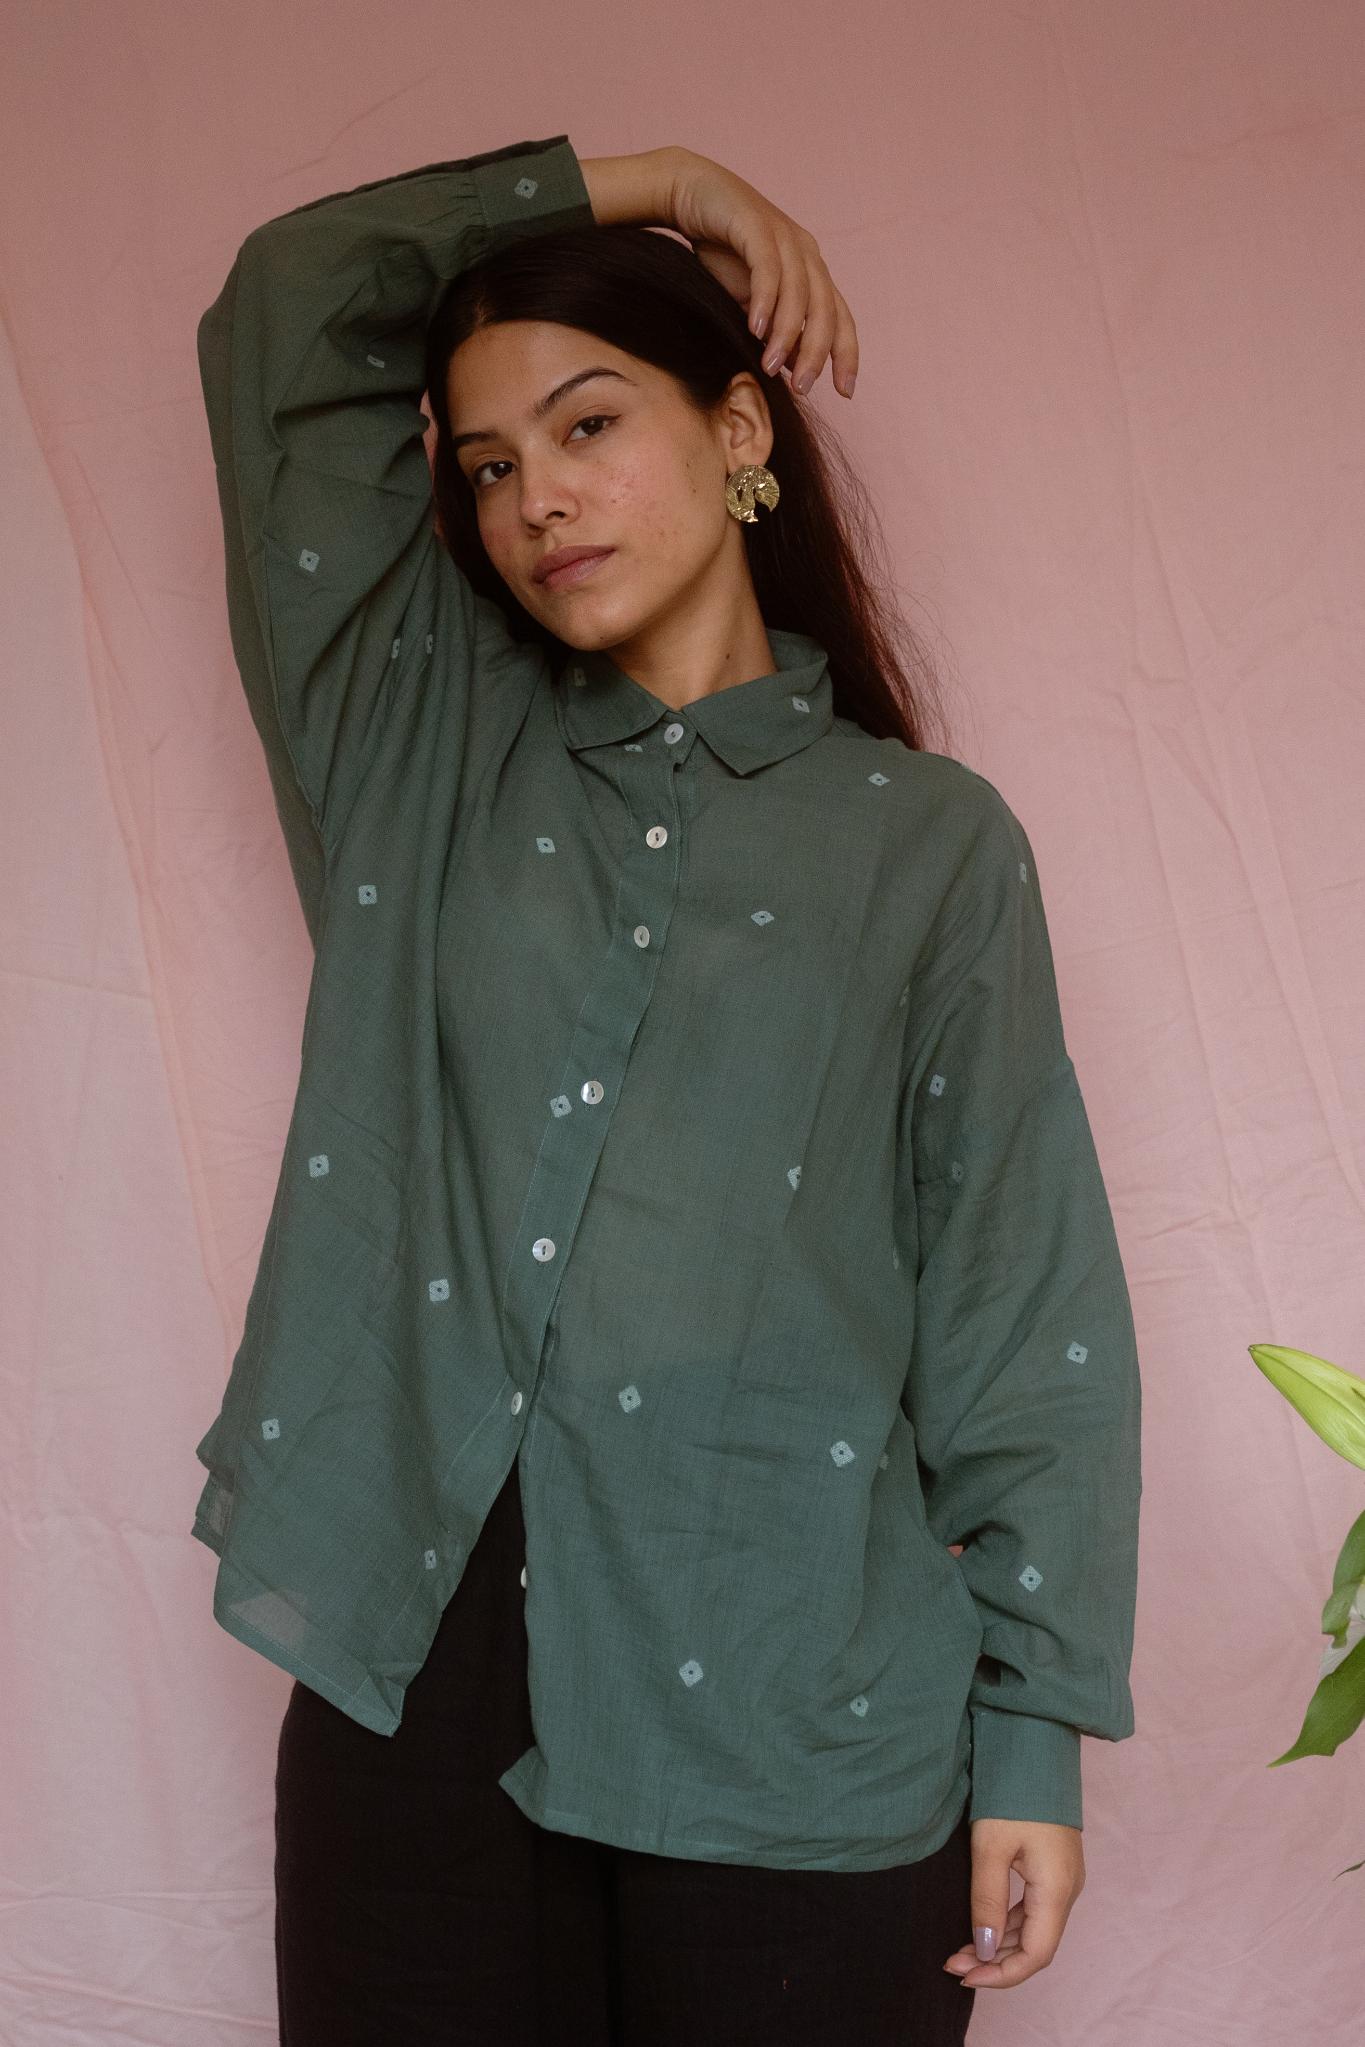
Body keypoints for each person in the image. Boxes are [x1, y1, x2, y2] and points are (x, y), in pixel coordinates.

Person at [190, 135, 1143, 2044]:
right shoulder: (416, 741)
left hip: (801, 1692)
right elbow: (287, 303)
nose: (537, 498)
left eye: (587, 423)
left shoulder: (926, 844)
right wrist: (650, 185)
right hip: (417, 1668)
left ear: (737, 429)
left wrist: (1033, 1732)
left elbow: (1016, 1290)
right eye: (486, 466)